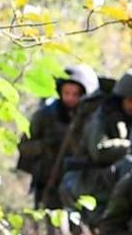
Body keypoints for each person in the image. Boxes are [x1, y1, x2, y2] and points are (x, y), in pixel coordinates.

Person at [67, 68, 132, 208]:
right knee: (130, 165)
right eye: (130, 101)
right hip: (92, 178)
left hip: (118, 178)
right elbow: (99, 150)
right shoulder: (102, 116)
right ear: (121, 99)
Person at [15, 64, 99, 213]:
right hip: (47, 183)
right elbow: (24, 146)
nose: (70, 98)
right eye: (66, 93)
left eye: (75, 94)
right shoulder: (45, 115)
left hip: (76, 183)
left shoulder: (91, 119)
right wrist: (45, 146)